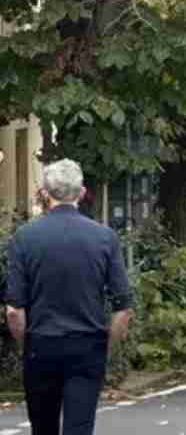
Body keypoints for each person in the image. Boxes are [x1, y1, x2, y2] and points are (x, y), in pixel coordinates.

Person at [5, 159, 132, 435]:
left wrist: (27, 344)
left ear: (44, 194)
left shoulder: (24, 238)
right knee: (80, 426)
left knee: (43, 426)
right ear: (82, 192)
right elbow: (123, 307)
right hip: (88, 345)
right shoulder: (104, 237)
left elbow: (14, 310)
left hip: (41, 344)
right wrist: (106, 347)